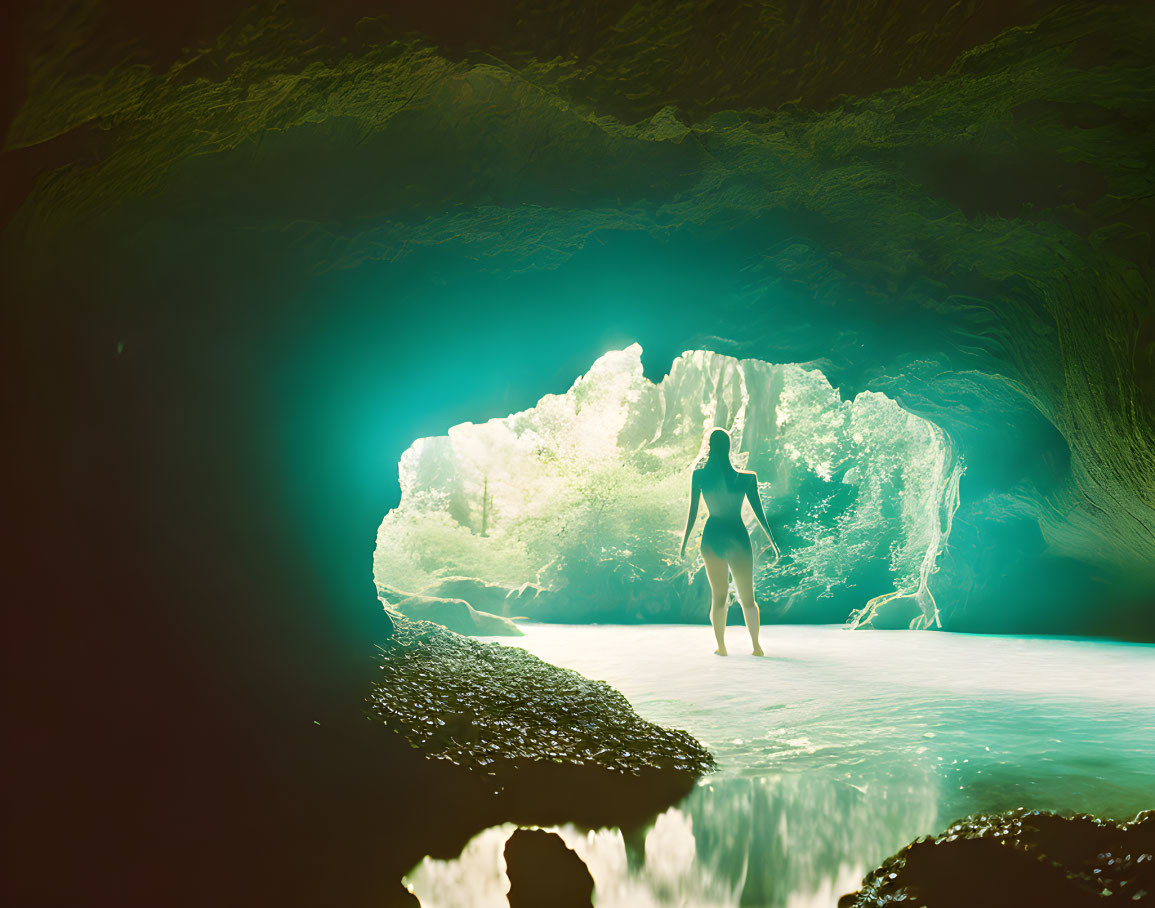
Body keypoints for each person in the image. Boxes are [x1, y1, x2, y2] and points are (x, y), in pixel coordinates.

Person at [680, 427, 779, 656]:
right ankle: (756, 647)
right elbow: (759, 514)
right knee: (748, 598)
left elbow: (692, 513)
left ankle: (721, 647)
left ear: (710, 447)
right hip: (737, 536)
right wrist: (773, 543)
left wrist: (684, 544)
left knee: (719, 597)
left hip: (713, 536)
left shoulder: (700, 475)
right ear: (729, 447)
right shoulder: (746, 478)